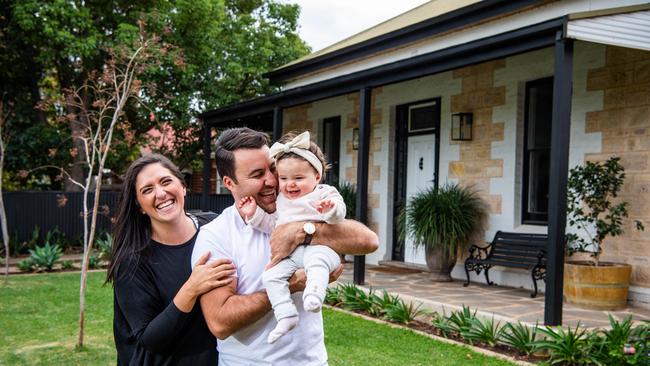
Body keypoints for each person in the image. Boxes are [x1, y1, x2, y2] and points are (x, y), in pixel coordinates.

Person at [192, 127, 379, 365]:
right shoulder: (217, 236)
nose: (271, 180)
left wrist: (303, 231)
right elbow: (220, 321)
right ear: (229, 182)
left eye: (272, 168)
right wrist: (291, 285)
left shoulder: (294, 210)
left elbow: (369, 241)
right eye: (257, 174)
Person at [106, 154, 236, 365]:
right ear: (139, 205)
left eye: (166, 181)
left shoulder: (213, 226)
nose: (161, 193)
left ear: (183, 187)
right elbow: (151, 340)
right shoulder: (131, 260)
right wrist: (191, 289)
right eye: (147, 190)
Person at [238, 131, 346, 344]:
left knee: (317, 262)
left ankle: (314, 294)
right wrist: (254, 214)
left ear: (316, 176)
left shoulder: (324, 192)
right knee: (270, 277)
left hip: (321, 250)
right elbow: (272, 226)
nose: (290, 185)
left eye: (298, 178)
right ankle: (286, 314)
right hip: (292, 257)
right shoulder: (282, 201)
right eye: (284, 179)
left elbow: (339, 215)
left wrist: (330, 210)